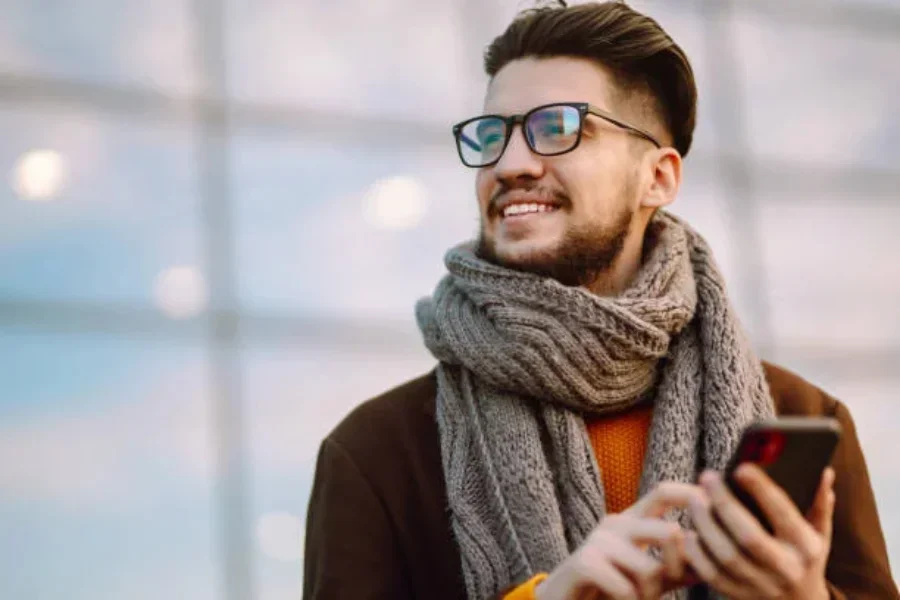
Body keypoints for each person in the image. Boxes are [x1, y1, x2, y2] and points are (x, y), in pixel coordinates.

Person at [303, 2, 898, 599]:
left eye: (558, 128)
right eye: (493, 135)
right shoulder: (377, 452)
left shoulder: (802, 416)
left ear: (658, 178)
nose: (509, 165)